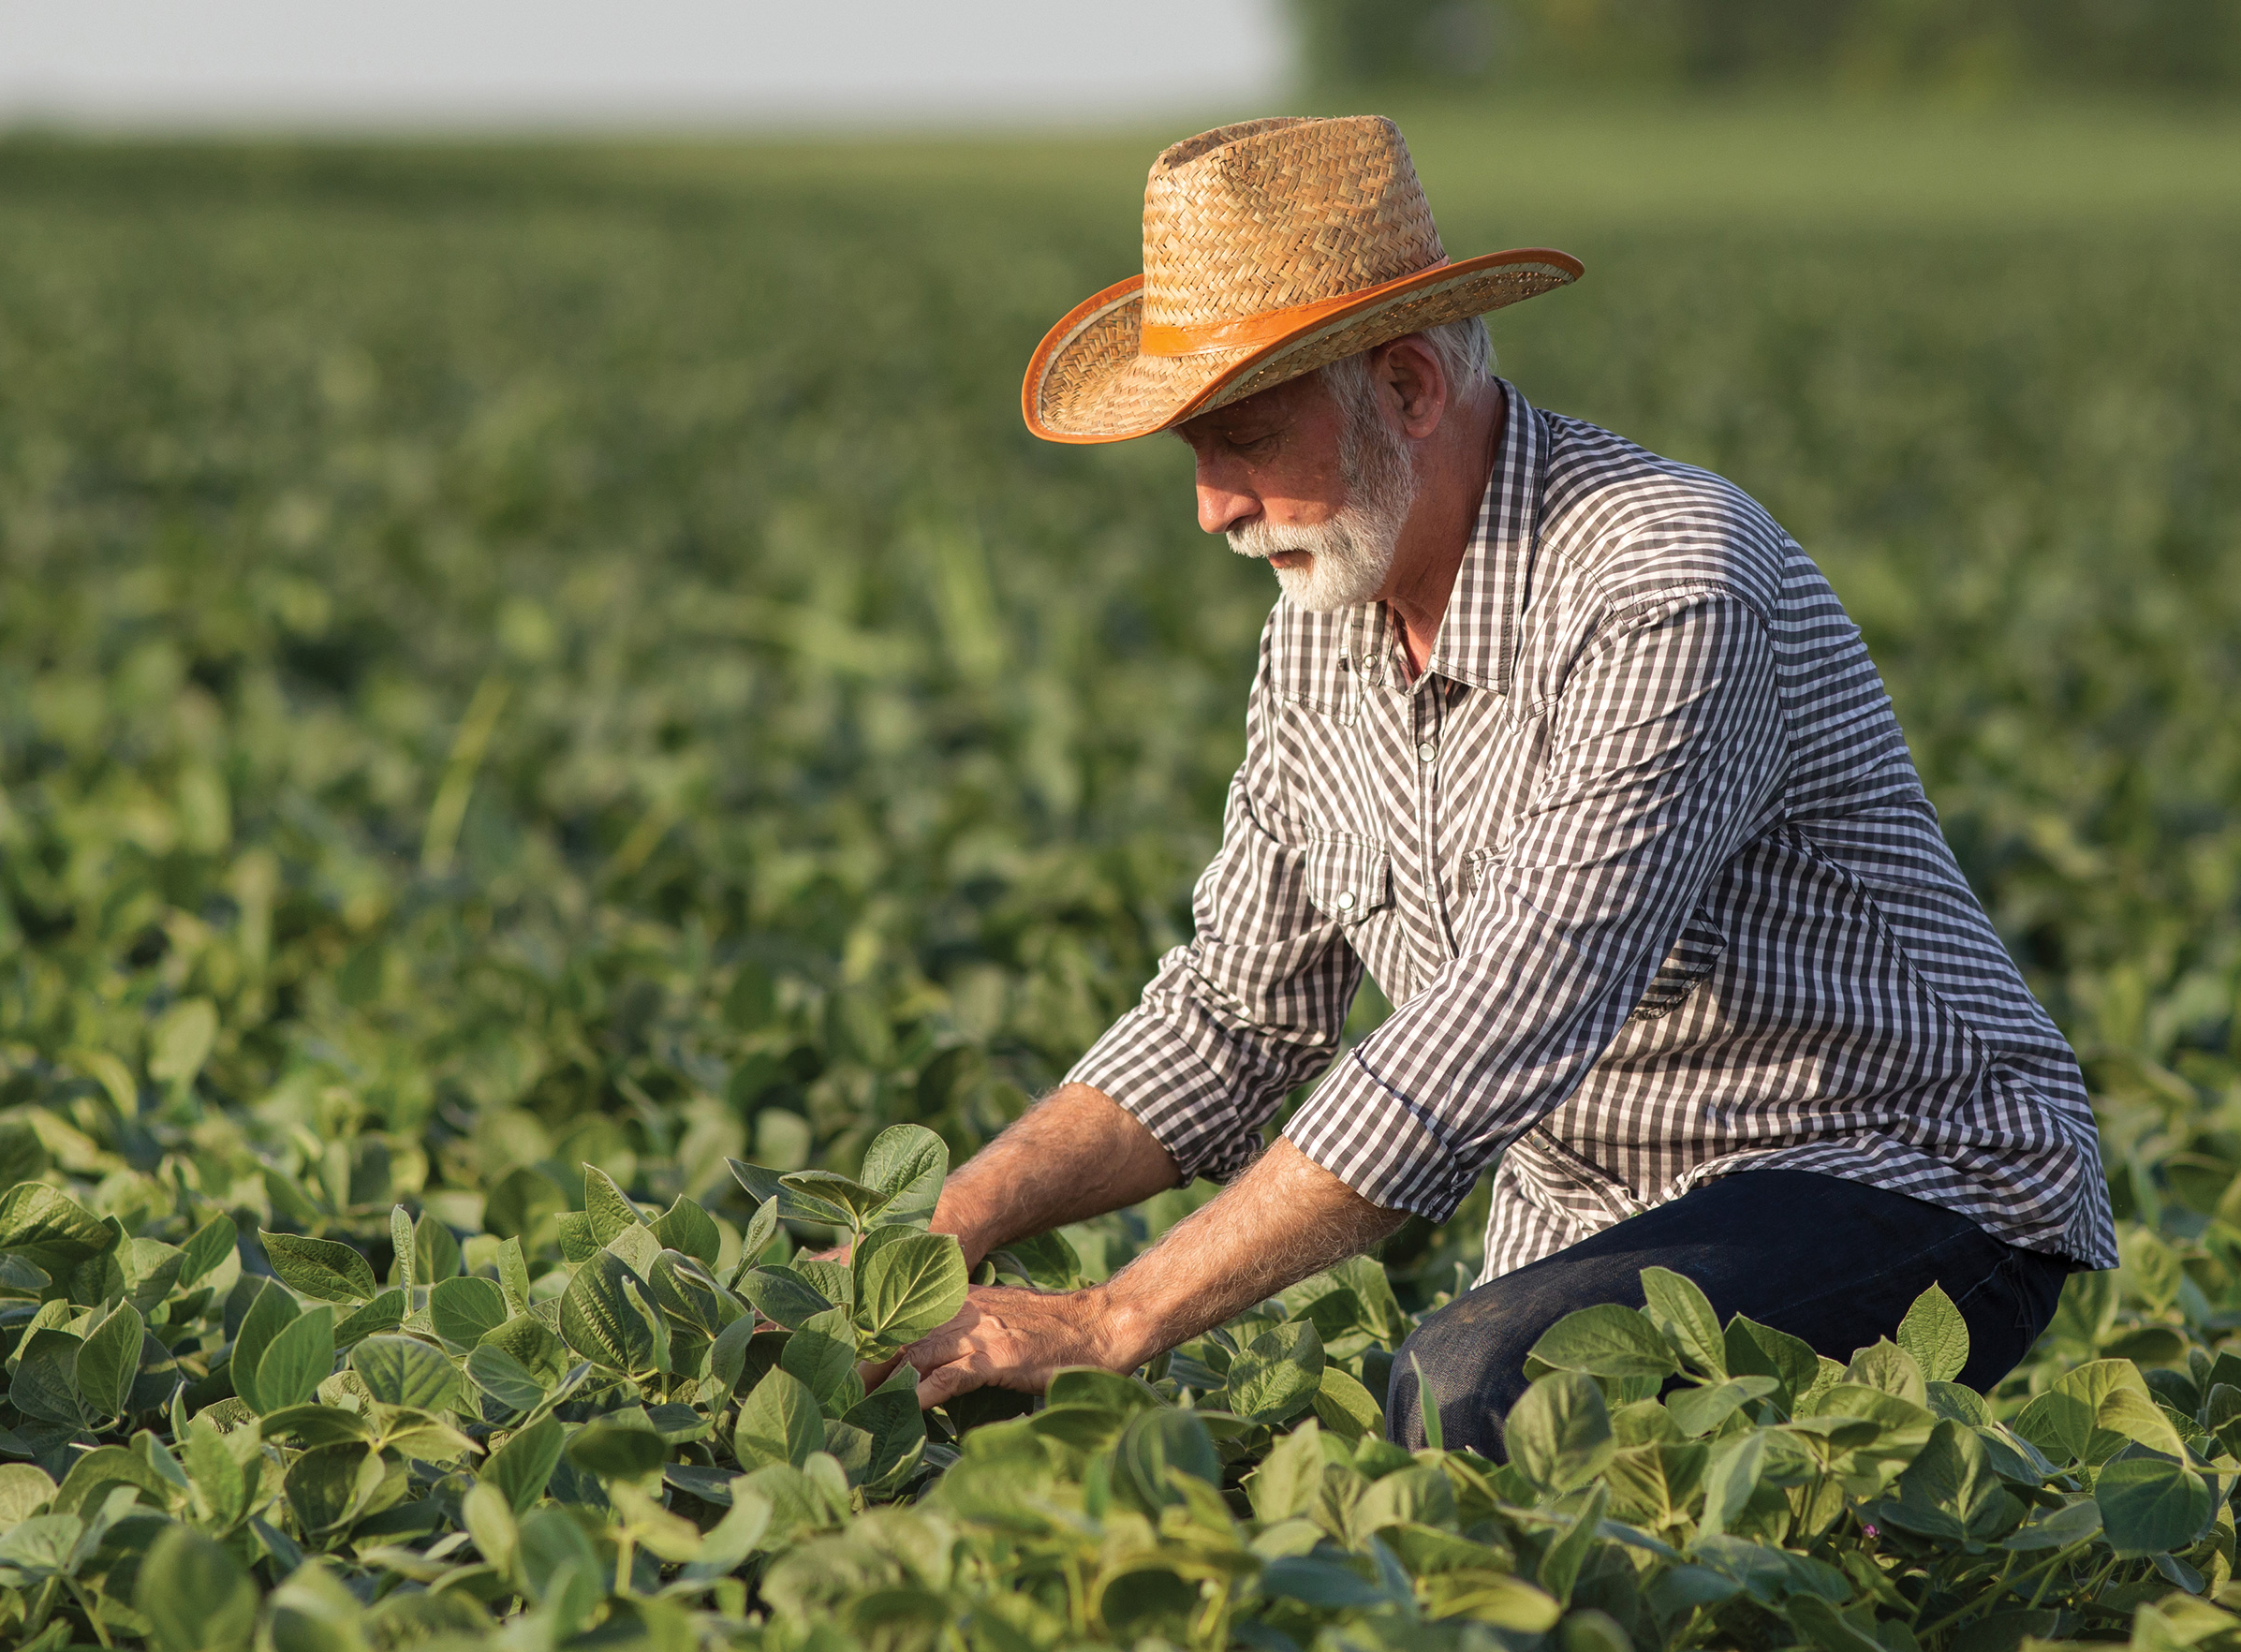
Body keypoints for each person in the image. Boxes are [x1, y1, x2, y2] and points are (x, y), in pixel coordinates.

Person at [886, 115, 2114, 1455]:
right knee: (1353, 1430)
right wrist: (949, 1225)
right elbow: (1237, 1012)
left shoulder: (1664, 584)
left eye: (1242, 435)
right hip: (1599, 1219)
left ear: (1408, 386)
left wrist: (1117, 1318)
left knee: (1484, 1392)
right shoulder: (1321, 624)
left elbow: (1510, 1017)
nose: (1211, 508)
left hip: (1897, 1170)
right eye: (1192, 453)